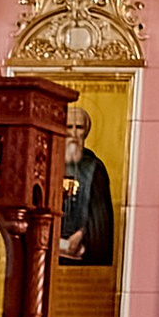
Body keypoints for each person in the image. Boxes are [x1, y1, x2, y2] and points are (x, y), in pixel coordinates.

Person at [58, 105, 115, 268]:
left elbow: (100, 215)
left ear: (86, 132)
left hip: (82, 249)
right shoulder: (48, 162)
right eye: (69, 127)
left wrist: (82, 234)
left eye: (79, 127)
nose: (74, 133)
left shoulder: (94, 168)